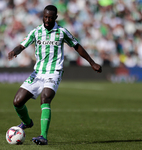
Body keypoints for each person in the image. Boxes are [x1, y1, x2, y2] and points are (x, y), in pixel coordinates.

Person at [8, 5, 102, 145]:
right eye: (45, 17)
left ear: (56, 18)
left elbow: (77, 46)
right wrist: (15, 51)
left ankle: (43, 137)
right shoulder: (36, 32)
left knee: (45, 98)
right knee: (17, 101)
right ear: (43, 16)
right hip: (38, 73)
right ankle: (27, 123)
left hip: (54, 72)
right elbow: (22, 45)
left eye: (50, 17)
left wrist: (92, 62)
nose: (47, 20)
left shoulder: (62, 32)